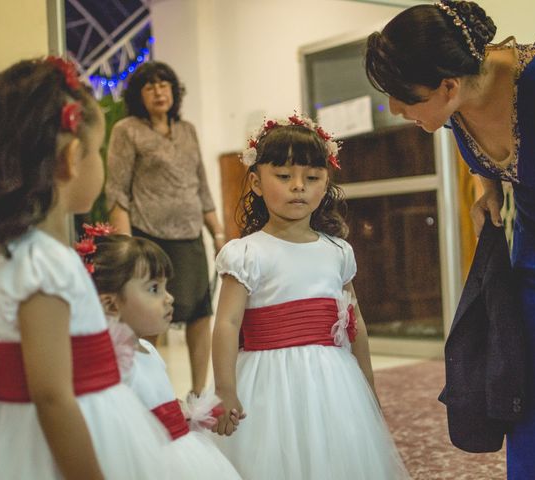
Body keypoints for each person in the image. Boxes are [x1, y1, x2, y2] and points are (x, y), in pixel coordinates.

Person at [365, 1, 535, 478]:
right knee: (530, 387)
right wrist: (488, 187)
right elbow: (486, 142)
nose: (395, 110)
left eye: (403, 97)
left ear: (449, 85)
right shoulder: (455, 100)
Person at [0, 57, 178, 479]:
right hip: (61, 437)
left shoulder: (4, 252)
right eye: (98, 153)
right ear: (71, 158)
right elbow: (51, 396)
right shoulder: (44, 263)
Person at [210, 114, 409, 480]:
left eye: (312, 177)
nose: (298, 187)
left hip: (332, 381)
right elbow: (227, 322)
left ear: (325, 183)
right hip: (267, 383)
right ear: (256, 182)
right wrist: (225, 389)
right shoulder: (246, 254)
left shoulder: (337, 251)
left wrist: (367, 386)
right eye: (284, 177)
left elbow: (355, 322)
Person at [80, 229, 242, 479]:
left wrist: (191, 414)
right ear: (111, 304)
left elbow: (157, 403)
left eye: (166, 287)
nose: (169, 298)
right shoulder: (114, 364)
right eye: (154, 289)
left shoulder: (149, 350)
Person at [105, 61, 225, 395]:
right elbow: (117, 192)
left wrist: (217, 233)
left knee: (200, 316)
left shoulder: (187, 130)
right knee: (151, 319)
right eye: (149, 86)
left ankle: (198, 395)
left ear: (174, 90)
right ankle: (151, 394)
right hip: (150, 236)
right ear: (138, 95)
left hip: (190, 236)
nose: (159, 91)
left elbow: (201, 187)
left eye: (164, 84)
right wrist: (126, 249)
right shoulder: (126, 130)